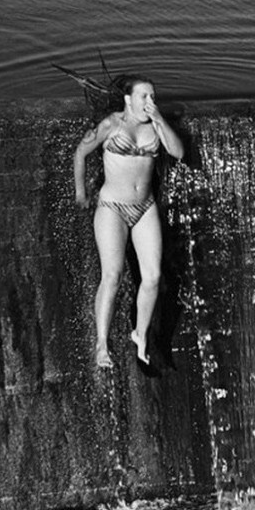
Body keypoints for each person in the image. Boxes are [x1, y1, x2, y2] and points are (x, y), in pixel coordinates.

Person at [73, 75, 184, 368]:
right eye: (144, 96)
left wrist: (159, 119)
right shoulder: (111, 124)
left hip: (145, 207)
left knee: (153, 277)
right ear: (128, 99)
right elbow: (81, 152)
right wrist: (81, 192)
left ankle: (140, 334)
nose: (149, 101)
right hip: (113, 207)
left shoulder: (155, 125)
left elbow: (178, 152)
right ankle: (101, 344)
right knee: (112, 275)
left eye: (153, 96)